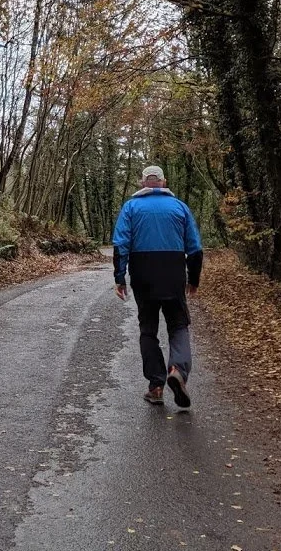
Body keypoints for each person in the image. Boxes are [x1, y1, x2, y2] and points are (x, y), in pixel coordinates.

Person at [112, 164, 203, 408]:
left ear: (143, 183)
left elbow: (121, 245)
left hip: (143, 274)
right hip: (173, 274)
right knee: (178, 325)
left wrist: (119, 278)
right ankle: (177, 370)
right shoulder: (179, 207)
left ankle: (156, 386)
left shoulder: (131, 207)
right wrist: (193, 279)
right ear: (163, 182)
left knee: (148, 329)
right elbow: (195, 248)